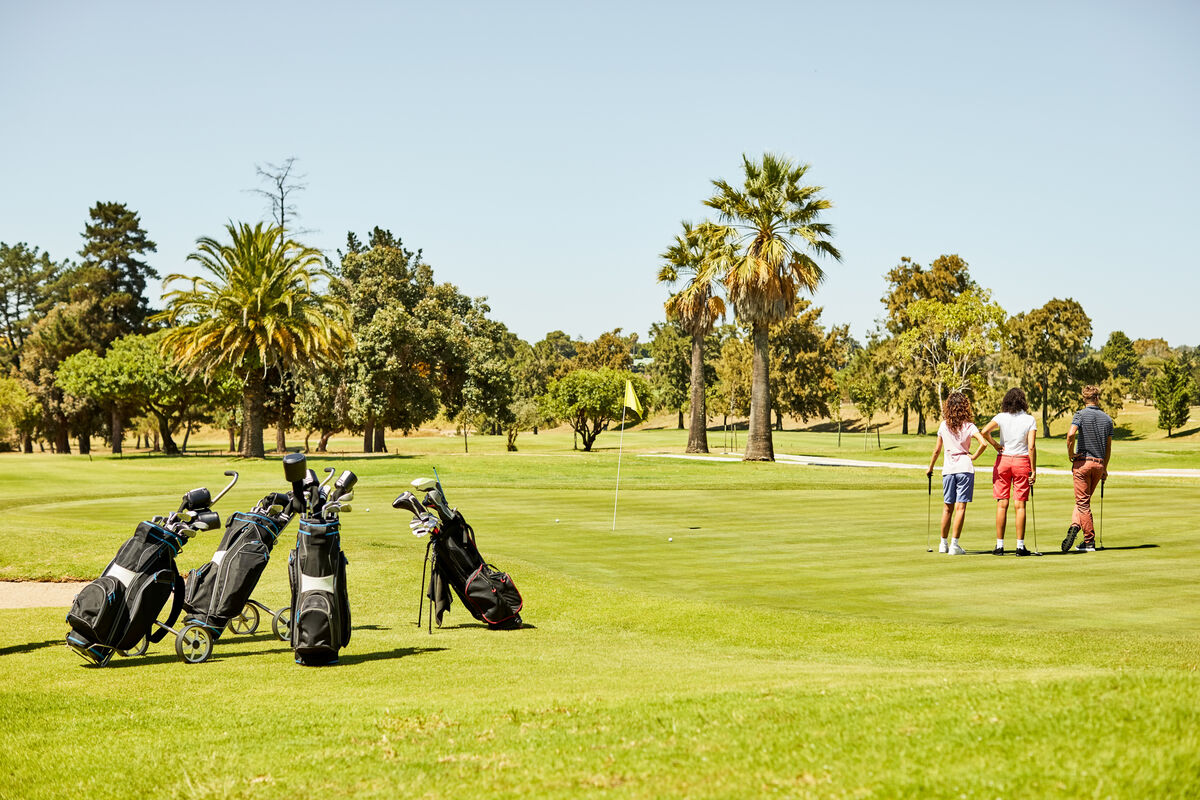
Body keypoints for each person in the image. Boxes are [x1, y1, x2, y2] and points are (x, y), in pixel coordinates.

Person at [926, 392, 997, 555]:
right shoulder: (969, 426)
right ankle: (954, 545)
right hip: (965, 468)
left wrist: (930, 468)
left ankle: (943, 544)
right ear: (965, 407)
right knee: (960, 508)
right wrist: (973, 456)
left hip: (948, 470)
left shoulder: (943, 425)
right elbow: (984, 443)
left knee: (947, 508)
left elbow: (937, 450)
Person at [980, 387, 1038, 556]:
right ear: (1022, 401)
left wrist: (996, 445)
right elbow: (1031, 446)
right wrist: (1033, 470)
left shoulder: (1001, 417)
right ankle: (1020, 546)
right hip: (1021, 461)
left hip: (1003, 461)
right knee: (1019, 505)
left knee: (1002, 504)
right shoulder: (1029, 419)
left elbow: (984, 431)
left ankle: (999, 546)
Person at [1062, 384, 1113, 552]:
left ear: (1084, 399)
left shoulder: (1080, 414)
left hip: (1083, 463)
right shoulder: (1107, 419)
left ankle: (1089, 541)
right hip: (1098, 464)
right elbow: (1108, 447)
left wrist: (1071, 454)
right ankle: (1075, 525)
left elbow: (1070, 434)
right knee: (1083, 501)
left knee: (1083, 503)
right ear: (1097, 398)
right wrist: (1104, 468)